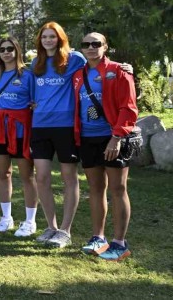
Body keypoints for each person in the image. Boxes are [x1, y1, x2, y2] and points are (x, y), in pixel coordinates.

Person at [73, 33, 137, 261]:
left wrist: (117, 138)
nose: (90, 48)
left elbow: (128, 108)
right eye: (86, 44)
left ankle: (120, 243)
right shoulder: (79, 75)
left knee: (118, 189)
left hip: (112, 138)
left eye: (96, 44)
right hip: (88, 139)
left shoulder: (119, 70)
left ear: (105, 46)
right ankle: (98, 238)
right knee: (96, 189)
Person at [30, 22, 86, 247]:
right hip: (40, 126)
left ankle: (65, 230)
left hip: (65, 126)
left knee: (68, 177)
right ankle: (51, 227)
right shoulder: (37, 63)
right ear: (40, 40)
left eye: (52, 36)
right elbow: (34, 95)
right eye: (45, 37)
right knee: (41, 177)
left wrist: (122, 67)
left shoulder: (75, 59)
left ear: (60, 38)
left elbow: (97, 63)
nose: (48, 40)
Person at [0, 37, 38, 237]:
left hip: (21, 130)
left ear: (17, 50)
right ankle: (6, 217)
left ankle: (30, 220)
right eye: (2, 50)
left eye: (10, 49)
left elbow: (35, 101)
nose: (6, 52)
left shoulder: (27, 75)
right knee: (3, 173)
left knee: (26, 175)